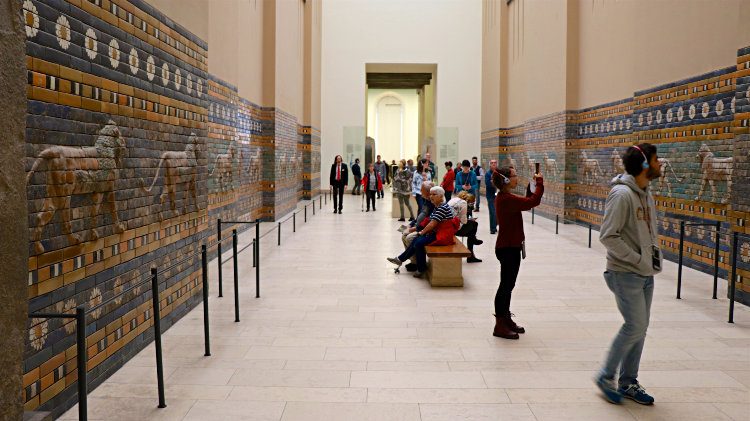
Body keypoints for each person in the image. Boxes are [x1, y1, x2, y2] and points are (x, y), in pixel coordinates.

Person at [595, 144, 662, 406]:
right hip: (625, 273)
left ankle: (628, 382)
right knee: (634, 325)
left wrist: (650, 261)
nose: (660, 164)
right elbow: (608, 235)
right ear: (644, 165)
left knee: (641, 329)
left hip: (646, 273)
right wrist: (637, 260)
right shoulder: (622, 195)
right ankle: (605, 376)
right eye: (656, 160)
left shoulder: (646, 193)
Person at [492, 165, 544, 340]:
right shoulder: (506, 199)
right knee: (505, 287)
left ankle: (505, 319)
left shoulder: (506, 197)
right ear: (506, 180)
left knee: (508, 286)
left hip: (510, 247)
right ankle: (500, 324)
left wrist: (531, 187)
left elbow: (525, 202)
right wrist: (540, 183)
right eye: (514, 176)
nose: (516, 178)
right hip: (508, 248)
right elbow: (532, 202)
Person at [387, 186, 458, 278]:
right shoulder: (438, 206)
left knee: (419, 243)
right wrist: (418, 230)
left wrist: (421, 232)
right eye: (430, 194)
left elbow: (432, 224)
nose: (431, 196)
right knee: (417, 240)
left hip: (442, 235)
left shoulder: (442, 208)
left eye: (434, 194)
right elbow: (428, 220)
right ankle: (408, 263)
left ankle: (416, 266)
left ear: (441, 196)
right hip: (437, 232)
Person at [448, 191, 483, 263]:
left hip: (448, 225)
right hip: (452, 228)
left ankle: (473, 243)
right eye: (472, 203)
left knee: (471, 229)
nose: (472, 205)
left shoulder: (454, 200)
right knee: (474, 225)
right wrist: (469, 219)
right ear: (468, 201)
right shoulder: (463, 203)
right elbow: (464, 221)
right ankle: (471, 254)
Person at [485, 159, 498, 234]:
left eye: (495, 163)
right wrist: (494, 183)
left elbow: (501, 183)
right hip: (490, 195)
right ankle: (492, 229)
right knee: (492, 212)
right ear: (490, 165)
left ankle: (495, 225)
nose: (493, 164)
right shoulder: (488, 174)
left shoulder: (498, 173)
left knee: (497, 212)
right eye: (492, 163)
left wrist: (493, 182)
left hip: (498, 195)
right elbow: (488, 184)